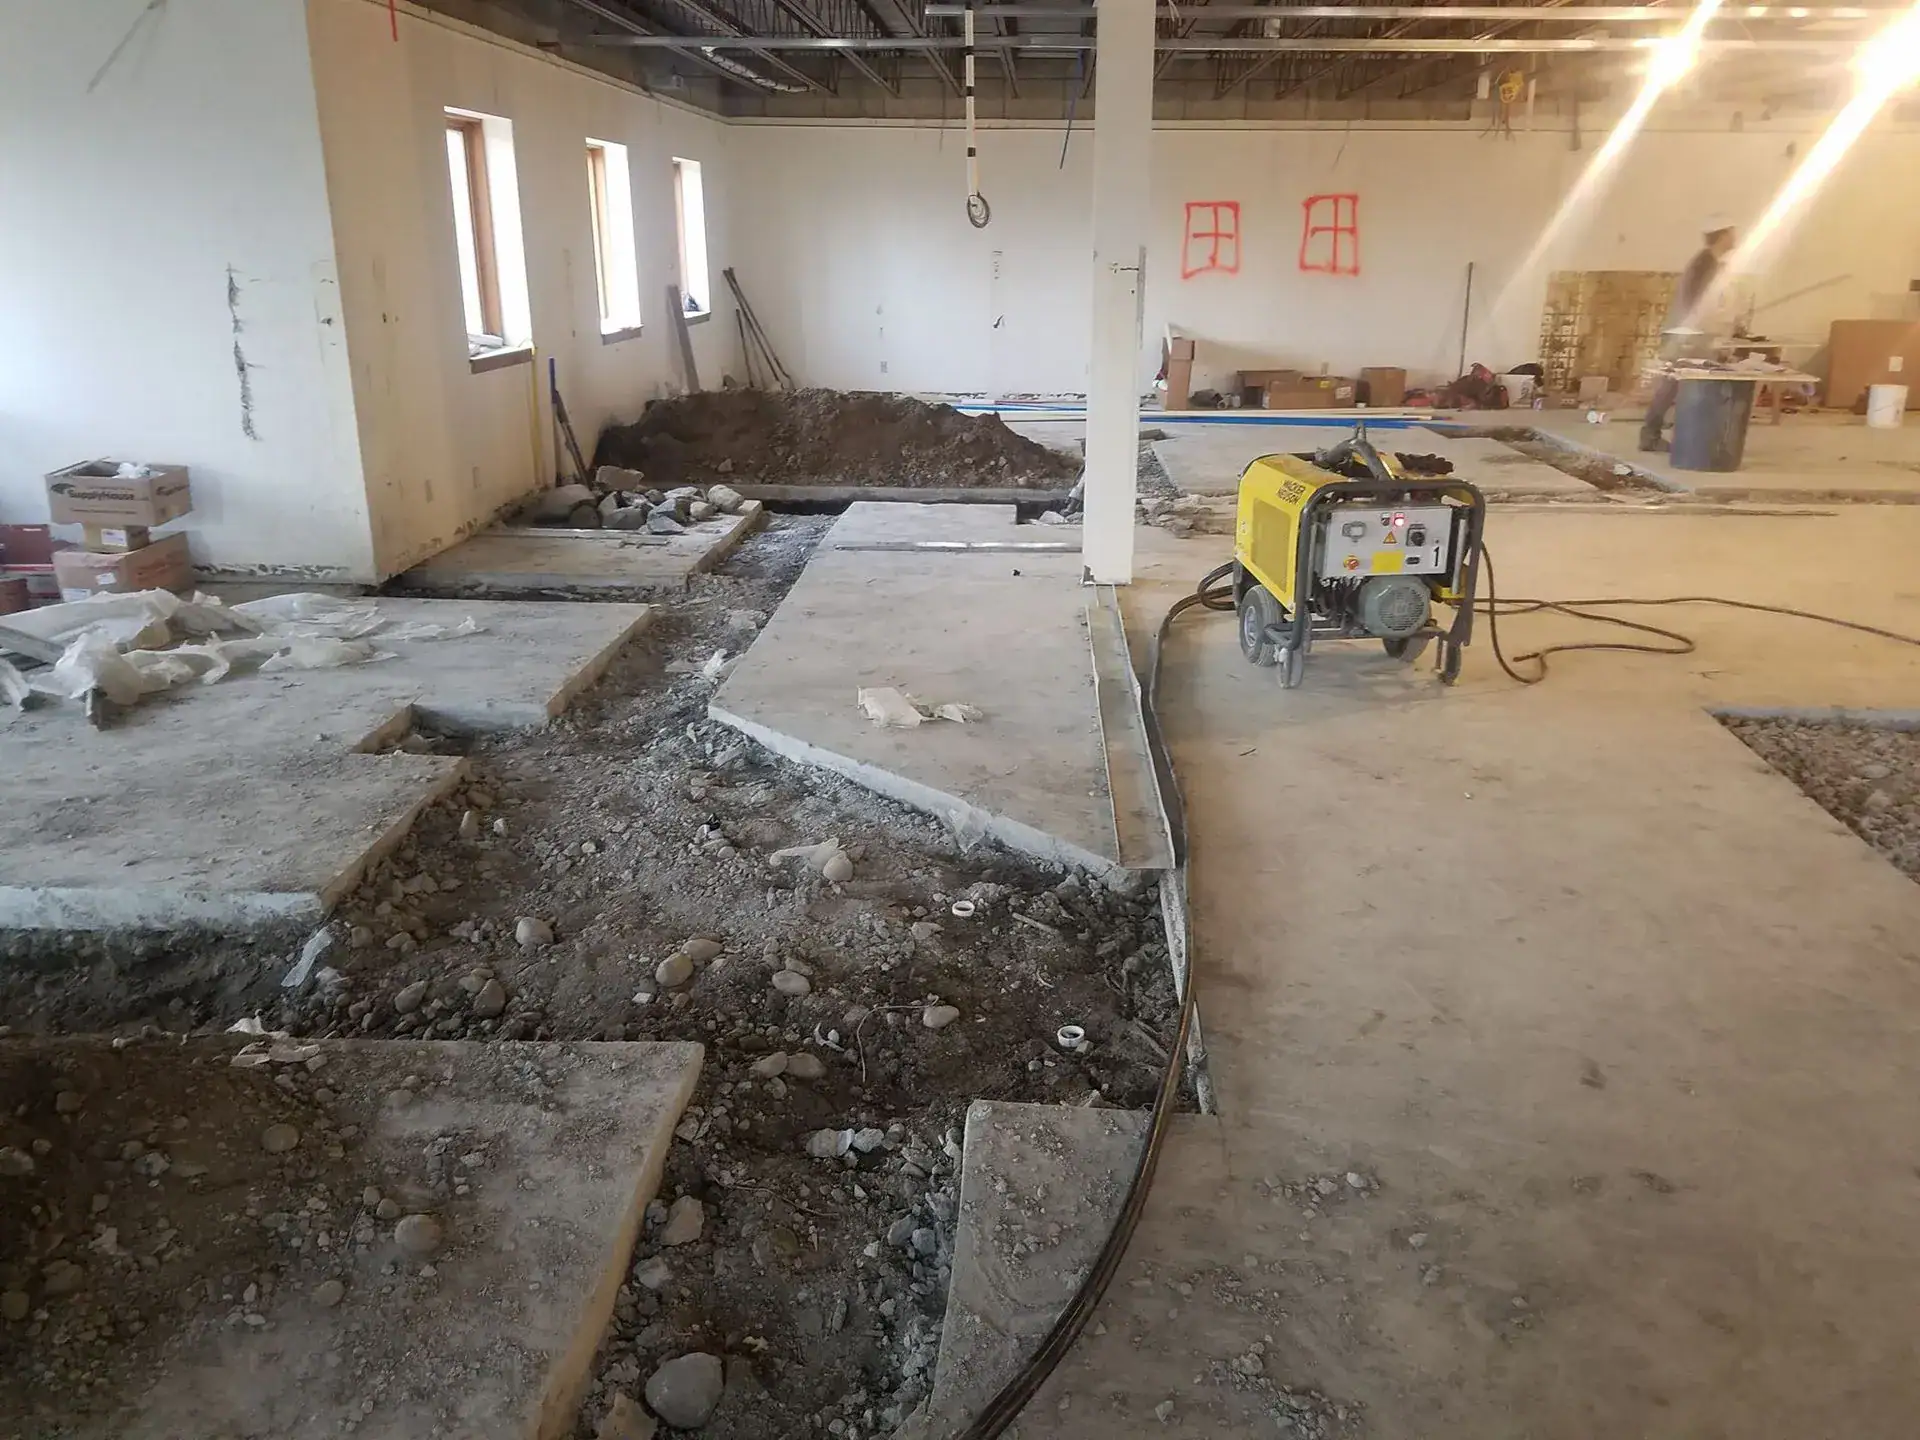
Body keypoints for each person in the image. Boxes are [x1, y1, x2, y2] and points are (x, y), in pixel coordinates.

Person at [1639, 220, 1738, 452]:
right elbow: (1696, 302)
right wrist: (1711, 330)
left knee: (1675, 385)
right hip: (1689, 335)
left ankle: (1664, 436)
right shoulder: (1704, 264)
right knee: (1684, 385)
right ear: (1722, 235)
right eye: (1732, 233)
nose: (1735, 238)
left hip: (1690, 333)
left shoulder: (1709, 263)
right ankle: (1676, 438)